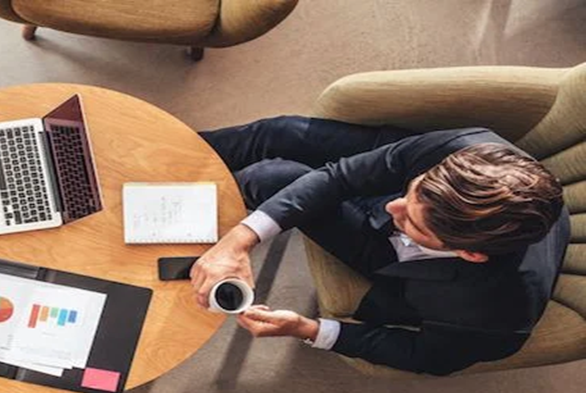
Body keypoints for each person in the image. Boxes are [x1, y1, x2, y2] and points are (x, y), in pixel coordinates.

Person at [194, 116, 569, 375]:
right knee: (280, 133)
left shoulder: (498, 313)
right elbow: (341, 178)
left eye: (411, 221)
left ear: (470, 254)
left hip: (398, 266)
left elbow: (427, 357)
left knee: (271, 177)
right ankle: (174, 158)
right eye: (412, 191)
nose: (393, 207)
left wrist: (308, 329)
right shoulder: (464, 152)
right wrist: (239, 241)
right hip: (413, 177)